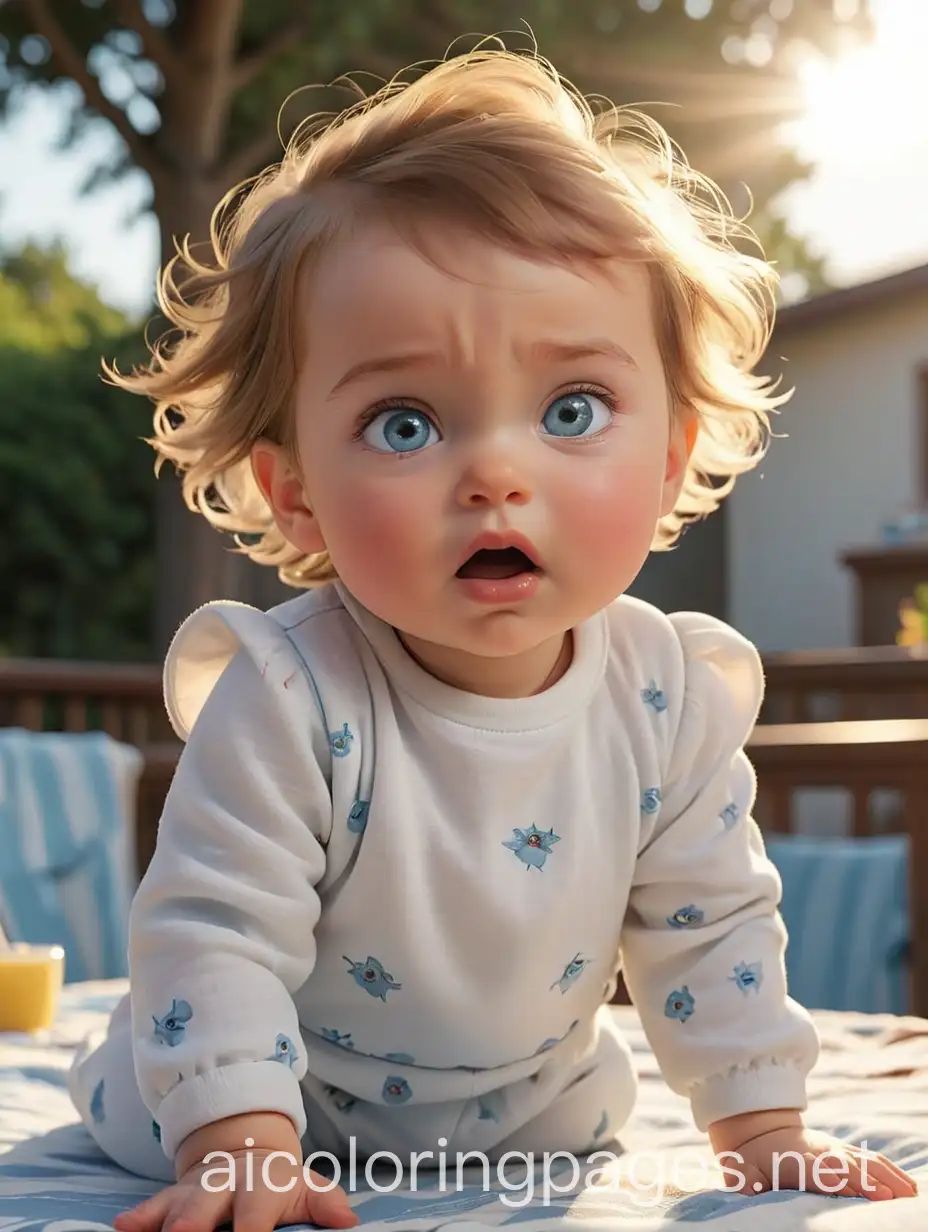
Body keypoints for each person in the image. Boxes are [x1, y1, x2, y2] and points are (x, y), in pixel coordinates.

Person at [69, 45, 916, 1232]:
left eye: (571, 409)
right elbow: (215, 926)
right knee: (206, 1089)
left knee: (617, 1076)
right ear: (297, 490)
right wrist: (237, 1139)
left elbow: (708, 920)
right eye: (404, 420)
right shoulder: (289, 690)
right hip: (260, 1102)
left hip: (533, 1116)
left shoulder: (665, 693)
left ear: (669, 452)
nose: (496, 475)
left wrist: (765, 1130)